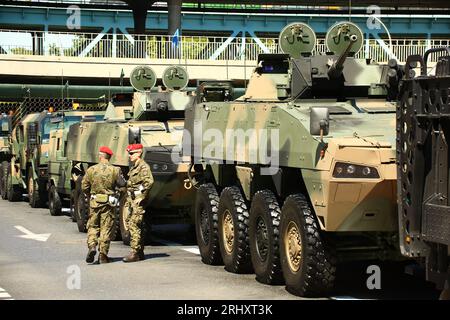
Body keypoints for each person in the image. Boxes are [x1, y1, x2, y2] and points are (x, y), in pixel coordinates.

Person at [82, 146, 126, 264]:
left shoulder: (91, 170)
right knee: (106, 228)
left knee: (93, 226)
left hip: (94, 202)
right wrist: (117, 197)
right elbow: (123, 186)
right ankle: (103, 255)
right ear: (109, 157)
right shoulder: (115, 170)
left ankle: (92, 246)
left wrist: (90, 195)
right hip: (108, 203)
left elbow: (84, 186)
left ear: (100, 156)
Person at [123, 143, 154, 263]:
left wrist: (141, 195)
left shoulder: (143, 166)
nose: (129, 156)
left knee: (134, 224)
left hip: (137, 200)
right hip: (132, 200)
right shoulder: (134, 166)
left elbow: (149, 182)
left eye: (132, 153)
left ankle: (134, 252)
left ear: (139, 153)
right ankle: (140, 251)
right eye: (129, 154)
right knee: (136, 224)